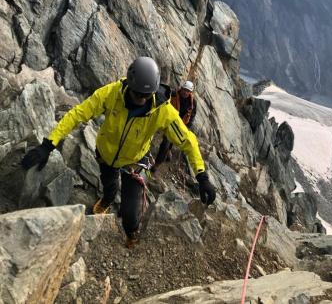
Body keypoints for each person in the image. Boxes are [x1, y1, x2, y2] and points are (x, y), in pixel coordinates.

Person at [21, 57, 216, 247]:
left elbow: (188, 141)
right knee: (109, 185)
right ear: (129, 85)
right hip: (107, 155)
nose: (141, 99)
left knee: (130, 215)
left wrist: (202, 175)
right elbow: (78, 114)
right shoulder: (112, 93)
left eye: (146, 96)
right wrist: (48, 144)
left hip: (135, 162)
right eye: (138, 94)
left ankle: (132, 233)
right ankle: (107, 199)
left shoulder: (162, 110)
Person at [153, 80, 197, 171]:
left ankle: (164, 155)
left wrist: (188, 127)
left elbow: (192, 115)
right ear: (181, 88)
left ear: (190, 92)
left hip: (180, 124)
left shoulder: (192, 103)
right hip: (169, 120)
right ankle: (157, 164)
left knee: (170, 141)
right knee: (166, 143)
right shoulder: (173, 94)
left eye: (187, 91)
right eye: (184, 90)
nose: (185, 92)